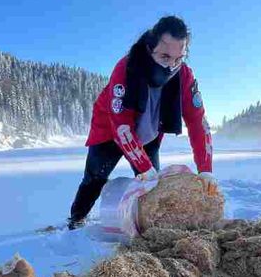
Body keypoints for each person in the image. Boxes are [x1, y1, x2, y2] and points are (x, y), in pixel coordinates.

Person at [68, 15, 217, 229]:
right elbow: (120, 125)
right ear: (150, 48)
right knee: (95, 178)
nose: (171, 66)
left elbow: (197, 121)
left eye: (178, 58)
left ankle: (145, 226)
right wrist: (144, 167)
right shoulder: (127, 68)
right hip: (110, 131)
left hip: (148, 134)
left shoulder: (184, 75)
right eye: (165, 57)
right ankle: (76, 219)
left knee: (152, 188)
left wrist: (205, 169)